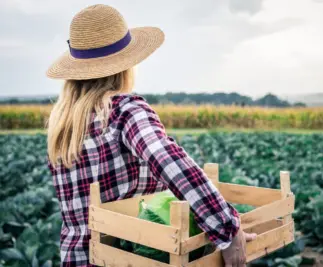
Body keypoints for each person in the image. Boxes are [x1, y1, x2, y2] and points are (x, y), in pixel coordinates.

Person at [46, 4, 256, 267]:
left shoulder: (62, 127)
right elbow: (169, 161)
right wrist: (228, 229)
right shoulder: (124, 110)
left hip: (76, 259)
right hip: (127, 260)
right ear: (125, 65)